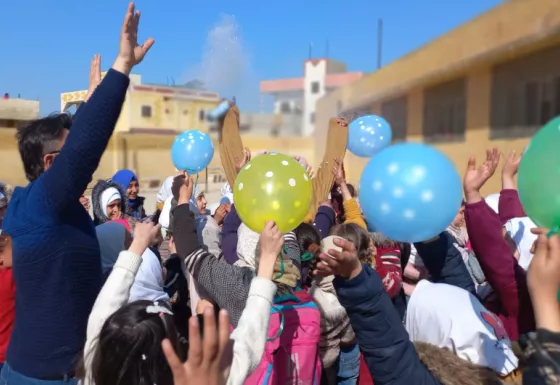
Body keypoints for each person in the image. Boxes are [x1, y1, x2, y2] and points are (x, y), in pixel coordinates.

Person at [0, 3, 154, 383]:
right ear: (52, 164)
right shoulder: (41, 204)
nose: (83, 167)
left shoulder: (52, 205)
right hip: (44, 378)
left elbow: (76, 143)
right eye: (68, 158)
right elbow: (84, 148)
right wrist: (122, 68)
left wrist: (88, 102)